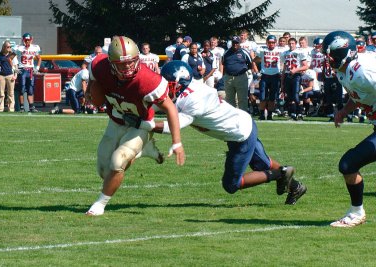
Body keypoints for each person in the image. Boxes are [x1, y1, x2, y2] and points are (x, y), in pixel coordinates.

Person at [125, 60, 307, 205]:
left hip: (240, 135)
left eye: (169, 84)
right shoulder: (191, 89)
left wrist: (142, 124)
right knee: (262, 164)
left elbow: (173, 126)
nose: (165, 88)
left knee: (231, 185)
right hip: (243, 124)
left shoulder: (192, 101)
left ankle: (280, 174)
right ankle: (295, 186)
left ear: (179, 83)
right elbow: (161, 104)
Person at [85, 36, 185, 216]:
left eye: (131, 62)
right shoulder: (99, 66)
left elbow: (170, 107)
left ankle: (100, 204)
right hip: (116, 121)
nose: (128, 67)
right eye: (122, 64)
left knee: (117, 162)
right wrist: (89, 93)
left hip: (140, 124)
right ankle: (144, 150)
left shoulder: (148, 80)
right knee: (104, 171)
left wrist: (177, 143)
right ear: (111, 63)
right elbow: (93, 81)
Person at [322, 30, 376, 227]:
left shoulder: (364, 71)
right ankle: (356, 213)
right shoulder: (345, 70)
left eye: (332, 55)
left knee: (348, 164)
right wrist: (343, 112)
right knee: (348, 165)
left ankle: (356, 214)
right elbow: (357, 95)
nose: (329, 59)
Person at [254, 35, 283, 120]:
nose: (271, 44)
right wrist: (257, 71)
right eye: (269, 42)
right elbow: (255, 61)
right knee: (262, 97)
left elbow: (285, 61)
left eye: (273, 42)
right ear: (267, 43)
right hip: (265, 76)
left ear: (275, 43)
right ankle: (262, 114)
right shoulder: (262, 51)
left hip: (275, 76)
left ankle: (270, 114)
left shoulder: (280, 51)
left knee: (272, 97)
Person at [222, 35, 255, 112]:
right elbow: (223, 64)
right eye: (234, 43)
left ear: (239, 43)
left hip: (241, 77)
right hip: (229, 78)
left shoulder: (244, 52)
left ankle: (243, 117)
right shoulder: (226, 53)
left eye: (237, 43)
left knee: (242, 99)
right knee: (229, 100)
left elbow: (250, 64)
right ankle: (231, 117)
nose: (235, 44)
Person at [280, 37, 309, 120]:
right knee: (289, 96)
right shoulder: (285, 53)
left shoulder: (300, 52)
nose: (291, 45)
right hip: (287, 76)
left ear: (295, 44)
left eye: (293, 43)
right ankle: (293, 113)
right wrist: (282, 82)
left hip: (296, 76)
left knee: (296, 95)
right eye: (289, 43)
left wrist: (296, 70)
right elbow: (284, 69)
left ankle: (300, 112)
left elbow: (306, 66)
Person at [13, 32, 41, 112]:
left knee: (30, 89)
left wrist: (37, 67)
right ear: (23, 40)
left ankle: (32, 107)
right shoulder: (19, 48)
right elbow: (10, 57)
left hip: (31, 70)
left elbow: (39, 58)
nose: (27, 41)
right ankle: (22, 107)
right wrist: (14, 68)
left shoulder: (35, 48)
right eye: (26, 40)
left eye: (28, 40)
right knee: (22, 89)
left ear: (31, 40)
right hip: (22, 70)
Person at [0, 41, 18, 112]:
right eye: (8, 47)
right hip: (1, 76)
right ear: (4, 47)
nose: (9, 48)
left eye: (10, 47)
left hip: (10, 75)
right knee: (1, 93)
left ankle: (11, 109)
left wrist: (15, 75)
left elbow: (15, 65)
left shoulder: (12, 55)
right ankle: (0, 108)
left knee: (11, 93)